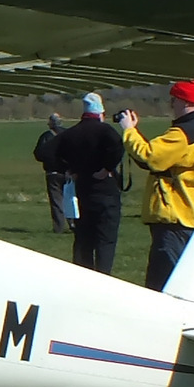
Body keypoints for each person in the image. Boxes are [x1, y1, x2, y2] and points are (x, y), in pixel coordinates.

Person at [117, 80, 194, 291]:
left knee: (161, 284)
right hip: (189, 215)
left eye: (174, 99)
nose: (171, 104)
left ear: (184, 101)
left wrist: (129, 131)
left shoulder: (183, 134)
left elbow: (149, 157)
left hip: (175, 217)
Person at [55, 92, 122, 272]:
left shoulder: (72, 133)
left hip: (83, 189)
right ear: (101, 113)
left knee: (84, 238)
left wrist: (69, 168)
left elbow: (45, 153)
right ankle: (103, 275)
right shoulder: (105, 131)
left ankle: (83, 274)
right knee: (105, 240)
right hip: (106, 191)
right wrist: (107, 168)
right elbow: (118, 146)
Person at [32, 113, 73, 233]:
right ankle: (73, 223)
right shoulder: (69, 135)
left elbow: (38, 154)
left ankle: (59, 227)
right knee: (71, 199)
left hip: (53, 173)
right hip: (69, 172)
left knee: (56, 201)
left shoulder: (46, 136)